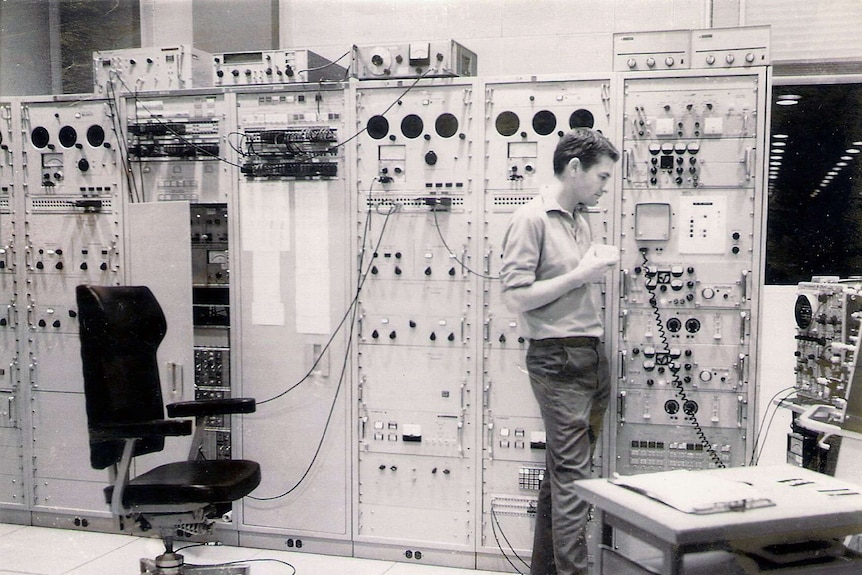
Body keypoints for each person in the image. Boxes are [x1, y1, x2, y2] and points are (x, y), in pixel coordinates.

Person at [499, 128, 620, 575]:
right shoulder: (531, 220)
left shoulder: (579, 217)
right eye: (602, 177)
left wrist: (588, 273)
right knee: (572, 480)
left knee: (563, 474)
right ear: (574, 168)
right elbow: (515, 297)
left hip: (590, 356)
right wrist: (579, 275)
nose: (605, 186)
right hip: (559, 360)